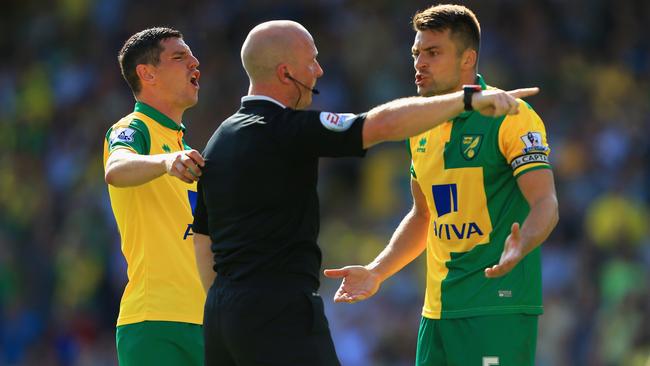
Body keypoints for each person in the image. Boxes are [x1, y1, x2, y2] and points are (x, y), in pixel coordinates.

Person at [192, 20, 538, 366]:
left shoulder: (220, 139)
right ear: (286, 73)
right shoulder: (285, 129)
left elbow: (202, 240)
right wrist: (466, 100)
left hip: (223, 316)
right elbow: (379, 126)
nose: (320, 70)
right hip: (279, 311)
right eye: (311, 61)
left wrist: (232, 306)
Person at [324, 4, 559, 366]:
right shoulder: (420, 126)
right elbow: (423, 215)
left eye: (433, 53)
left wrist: (522, 244)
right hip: (436, 311)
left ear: (469, 59)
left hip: (495, 305)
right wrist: (377, 271)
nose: (419, 62)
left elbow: (546, 203)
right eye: (417, 53)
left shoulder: (511, 116)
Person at [103, 27, 206, 366]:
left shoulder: (188, 153)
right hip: (155, 324)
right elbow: (116, 168)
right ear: (147, 74)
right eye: (179, 57)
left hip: (207, 323)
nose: (195, 63)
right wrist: (164, 161)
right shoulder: (135, 129)